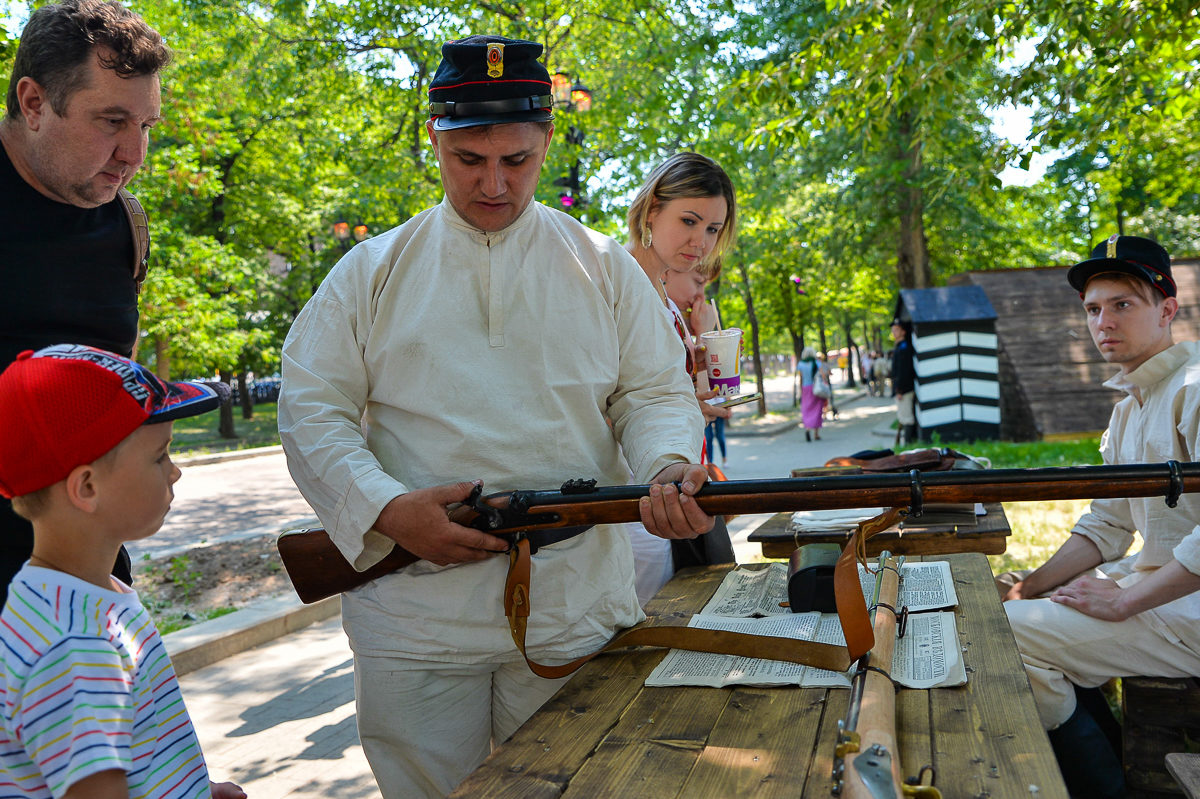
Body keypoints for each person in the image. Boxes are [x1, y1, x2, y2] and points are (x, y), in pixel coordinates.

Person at [277, 36, 713, 799]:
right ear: (435, 140)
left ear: (545, 139)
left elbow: (651, 393)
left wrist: (668, 464)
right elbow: (313, 408)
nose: (494, 183)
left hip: (571, 603)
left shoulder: (603, 265)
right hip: (413, 616)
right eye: (469, 159)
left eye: (516, 159)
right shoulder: (372, 270)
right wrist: (385, 507)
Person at [1001, 235, 1200, 799]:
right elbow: (1108, 525)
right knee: (1016, 615)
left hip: (1189, 610)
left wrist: (1123, 601)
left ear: (1167, 307)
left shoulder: (1194, 390)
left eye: (1123, 304)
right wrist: (1027, 588)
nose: (1103, 321)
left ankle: (1102, 785)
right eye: (1093, 308)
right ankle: (1109, 760)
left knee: (1001, 639)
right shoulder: (1129, 409)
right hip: (1163, 595)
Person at [0, 344, 244, 799]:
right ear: (87, 487)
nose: (175, 473)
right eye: (159, 456)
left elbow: (132, 754)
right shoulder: (76, 646)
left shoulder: (74, 597)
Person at [0, 0, 170, 606]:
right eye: (112, 121)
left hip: (91, 586)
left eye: (145, 126)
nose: (134, 154)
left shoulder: (125, 225)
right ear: (34, 103)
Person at [623, 152, 739, 601]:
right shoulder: (613, 283)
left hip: (665, 487)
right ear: (652, 210)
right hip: (628, 492)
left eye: (712, 228)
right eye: (688, 221)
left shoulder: (666, 299)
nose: (701, 241)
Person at [890, 318, 916, 444]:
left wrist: (900, 389)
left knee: (907, 417)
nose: (894, 332)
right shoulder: (900, 347)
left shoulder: (904, 348)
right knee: (903, 415)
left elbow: (903, 370)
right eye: (893, 330)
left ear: (903, 332)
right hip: (901, 388)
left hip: (904, 389)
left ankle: (908, 443)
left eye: (896, 330)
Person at [797, 346, 826, 440]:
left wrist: (801, 390)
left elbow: (801, 378)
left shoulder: (800, 364)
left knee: (806, 409)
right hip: (816, 388)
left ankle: (807, 429)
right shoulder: (817, 363)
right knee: (817, 409)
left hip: (805, 388)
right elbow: (822, 375)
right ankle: (816, 434)